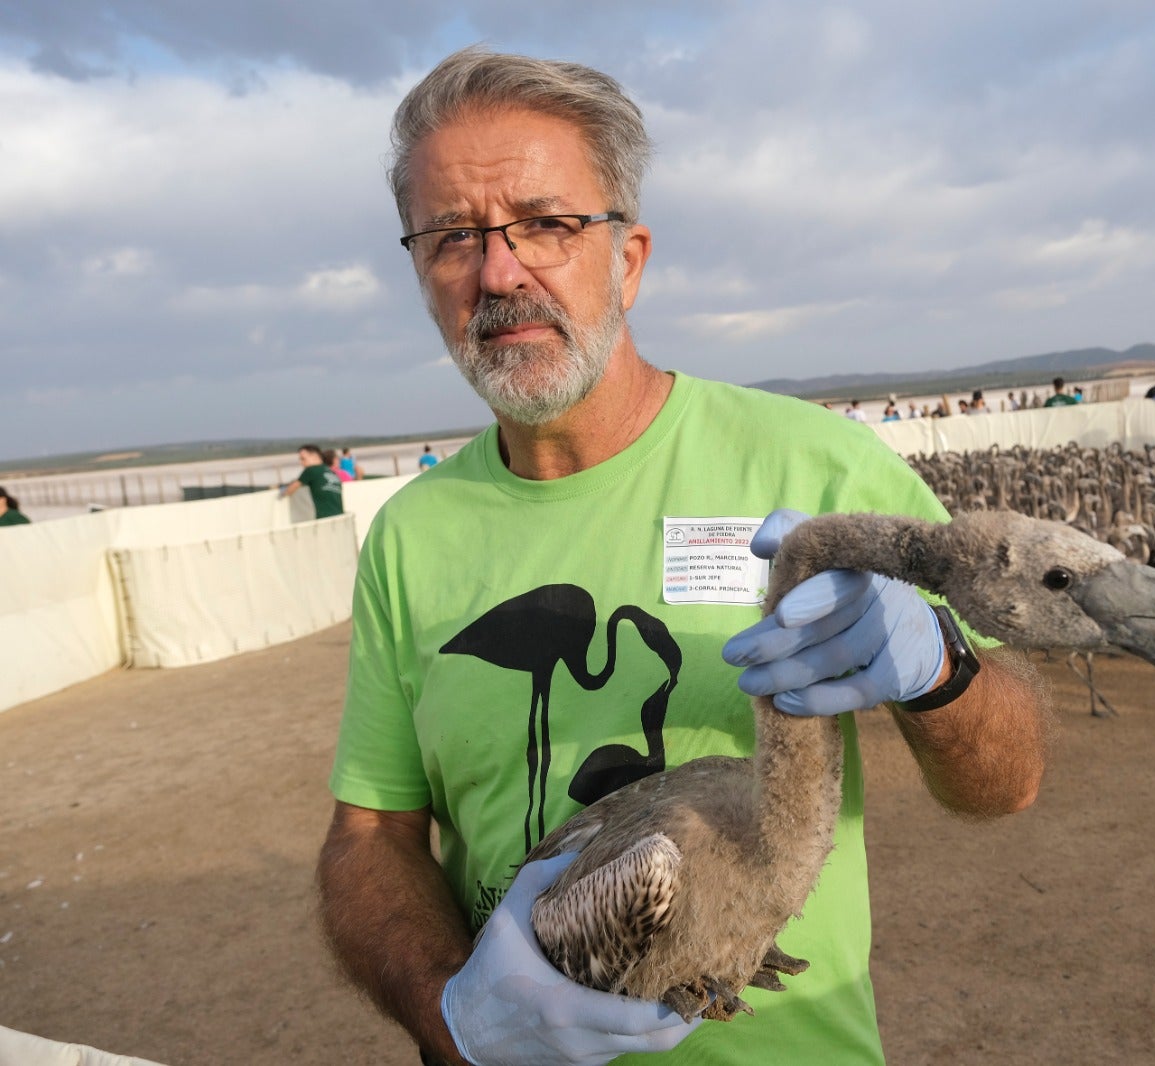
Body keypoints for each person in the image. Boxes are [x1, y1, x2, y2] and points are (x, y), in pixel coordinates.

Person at [315, 48, 1048, 1066]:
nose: (498, 272)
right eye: (452, 238)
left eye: (545, 223)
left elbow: (1004, 782)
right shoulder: (408, 537)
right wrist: (454, 1019)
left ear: (630, 255)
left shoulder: (814, 463)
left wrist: (941, 672)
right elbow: (369, 836)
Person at [279, 443, 344, 518]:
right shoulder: (330, 471)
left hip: (323, 517)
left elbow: (290, 490)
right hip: (339, 516)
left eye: (303, 459)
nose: (301, 462)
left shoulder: (311, 470)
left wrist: (281, 491)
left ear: (314, 456)